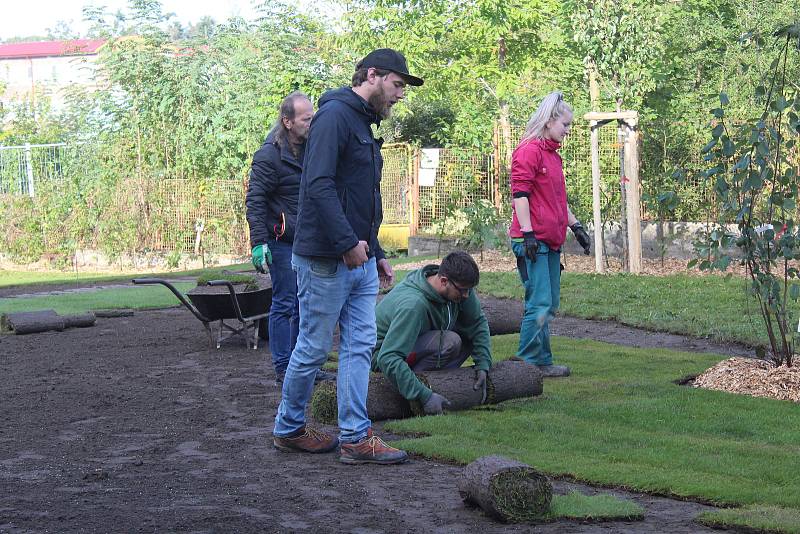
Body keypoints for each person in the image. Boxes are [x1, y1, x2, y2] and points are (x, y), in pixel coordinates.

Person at [272, 49, 423, 465]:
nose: (399, 96)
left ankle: (356, 437)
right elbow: (317, 185)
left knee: (359, 348)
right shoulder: (334, 117)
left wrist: (374, 252)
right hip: (326, 258)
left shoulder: (360, 121)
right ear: (372, 75)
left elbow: (361, 196)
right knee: (314, 349)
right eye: (397, 85)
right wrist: (345, 243)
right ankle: (289, 428)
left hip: (359, 260)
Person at [245, 92, 334, 385]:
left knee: (306, 305)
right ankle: (284, 368)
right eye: (306, 118)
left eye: (313, 117)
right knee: (285, 303)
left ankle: (303, 367)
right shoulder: (268, 155)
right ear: (288, 121)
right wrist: (258, 242)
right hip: (282, 242)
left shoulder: (313, 150)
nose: (312, 122)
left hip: (309, 241)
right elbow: (255, 200)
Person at [508, 91, 591, 378]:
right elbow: (520, 195)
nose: (568, 131)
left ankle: (541, 362)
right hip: (532, 240)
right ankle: (525, 365)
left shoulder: (552, 156)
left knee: (549, 303)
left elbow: (556, 199)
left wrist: (576, 226)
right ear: (549, 121)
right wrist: (528, 234)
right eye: (565, 125)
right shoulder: (528, 151)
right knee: (539, 303)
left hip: (550, 240)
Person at [372, 251, 492, 414]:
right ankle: (419, 386)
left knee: (466, 337)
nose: (466, 295)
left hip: (413, 344)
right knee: (451, 341)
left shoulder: (459, 287)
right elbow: (388, 357)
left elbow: (477, 323)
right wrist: (424, 396)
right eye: (463, 290)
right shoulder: (413, 305)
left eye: (469, 290)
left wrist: (483, 364)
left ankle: (434, 382)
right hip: (379, 355)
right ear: (444, 281)